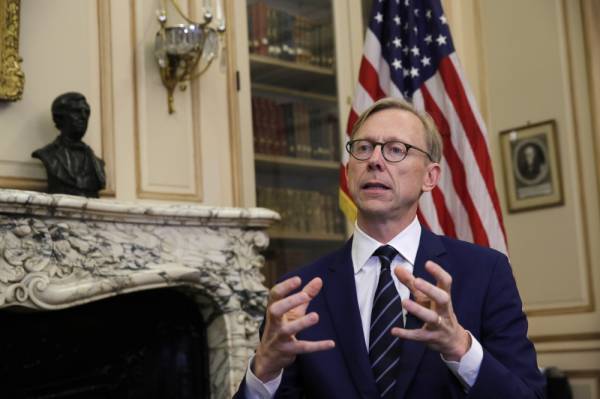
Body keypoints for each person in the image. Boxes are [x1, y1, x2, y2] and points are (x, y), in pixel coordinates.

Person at [235, 98, 545, 398]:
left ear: (430, 176)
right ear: (348, 172)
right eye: (363, 148)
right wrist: (264, 369)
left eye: (396, 149)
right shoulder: (299, 292)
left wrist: (460, 348)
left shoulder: (485, 272)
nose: (374, 161)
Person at [32, 92, 106, 198]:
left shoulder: (98, 163)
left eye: (86, 112)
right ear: (59, 118)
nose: (83, 116)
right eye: (77, 112)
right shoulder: (47, 154)